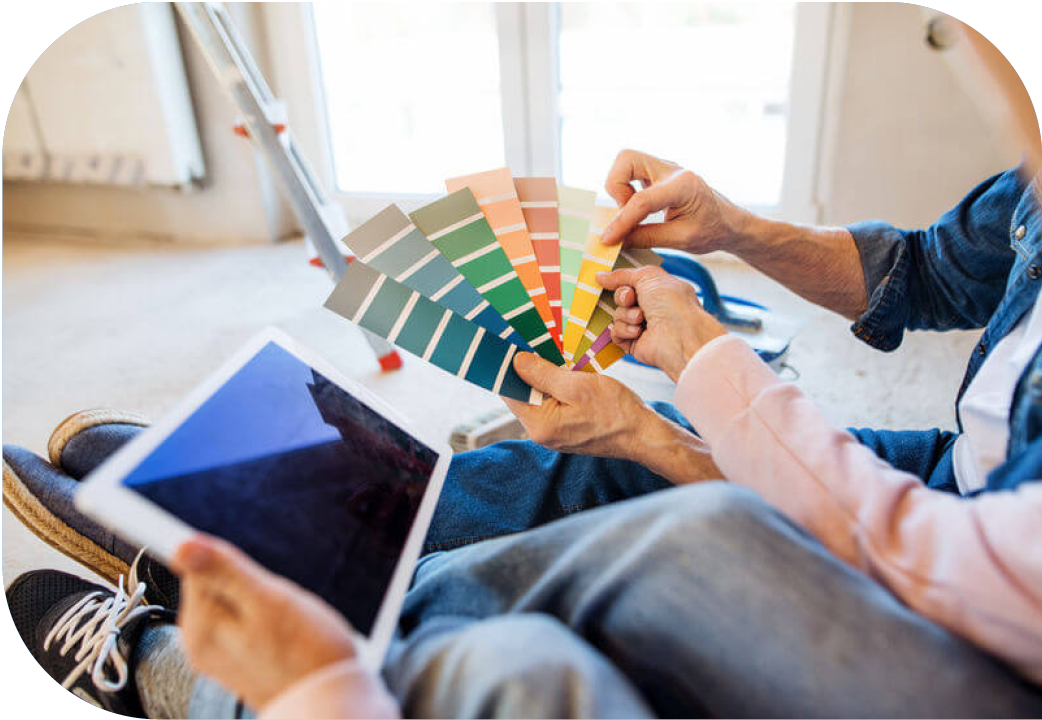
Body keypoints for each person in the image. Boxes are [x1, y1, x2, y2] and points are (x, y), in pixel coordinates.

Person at [7, 18, 1042, 719]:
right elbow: (932, 270)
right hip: (960, 486)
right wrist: (737, 233)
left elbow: (922, 560)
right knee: (593, 476)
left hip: (981, 624)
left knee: (526, 643)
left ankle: (198, 653)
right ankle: (256, 531)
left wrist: (698, 369)